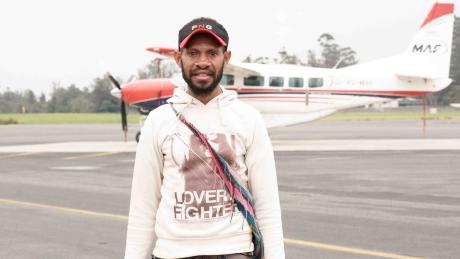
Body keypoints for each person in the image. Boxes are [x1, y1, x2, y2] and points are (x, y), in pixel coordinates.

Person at [124, 17, 285, 259]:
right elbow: (143, 207)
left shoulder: (248, 119)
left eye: (212, 53)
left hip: (235, 252)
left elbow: (267, 205)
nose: (202, 62)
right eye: (193, 53)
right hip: (173, 253)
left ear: (226, 58)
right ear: (179, 58)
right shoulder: (158, 121)